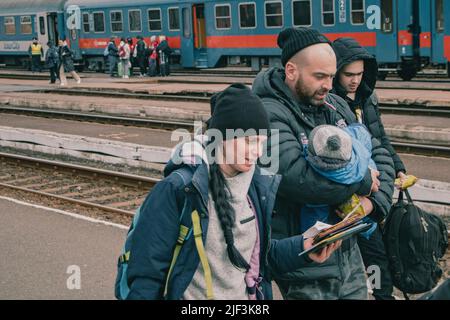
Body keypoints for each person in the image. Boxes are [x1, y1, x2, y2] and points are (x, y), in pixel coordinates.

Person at [117, 83, 341, 300]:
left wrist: (303, 247)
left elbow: (258, 257)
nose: (256, 152)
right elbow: (147, 273)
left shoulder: (256, 187)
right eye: (249, 141)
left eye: (261, 142)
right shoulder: (179, 189)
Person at [252, 27, 395, 300]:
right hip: (305, 265)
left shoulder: (335, 105)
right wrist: (363, 180)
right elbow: (298, 178)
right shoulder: (268, 113)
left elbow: (379, 152)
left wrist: (374, 205)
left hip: (348, 258)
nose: (329, 85)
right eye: (319, 76)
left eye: (331, 76)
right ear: (291, 71)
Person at [331, 37, 407, 300]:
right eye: (348, 74)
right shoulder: (330, 102)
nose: (354, 80)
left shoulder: (366, 96)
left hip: (377, 190)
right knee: (367, 253)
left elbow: (380, 137)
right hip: (352, 195)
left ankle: (381, 294)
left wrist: (397, 166)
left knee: (378, 254)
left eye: (360, 74)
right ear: (336, 71)